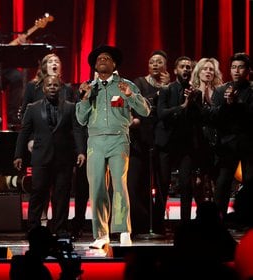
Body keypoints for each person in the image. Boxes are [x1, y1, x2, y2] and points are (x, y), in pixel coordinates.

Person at [76, 45, 151, 248]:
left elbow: (145, 111)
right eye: (99, 58)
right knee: (97, 187)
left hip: (118, 139)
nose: (102, 60)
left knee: (119, 185)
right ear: (94, 65)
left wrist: (130, 96)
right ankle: (101, 235)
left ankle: (124, 231)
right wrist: (84, 97)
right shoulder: (89, 87)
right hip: (95, 142)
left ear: (114, 64)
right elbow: (81, 119)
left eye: (107, 58)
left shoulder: (125, 85)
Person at [20, 53, 89, 237]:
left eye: (57, 61)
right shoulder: (33, 96)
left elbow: (75, 125)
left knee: (61, 195)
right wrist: (24, 147)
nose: (52, 87)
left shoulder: (68, 97)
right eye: (50, 61)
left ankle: (59, 229)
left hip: (62, 154)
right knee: (38, 192)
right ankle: (34, 229)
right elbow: (25, 124)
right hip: (41, 151)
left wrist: (80, 150)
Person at [154, 56, 202, 234]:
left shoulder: (195, 92)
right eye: (182, 67)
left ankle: (185, 225)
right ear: (175, 70)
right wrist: (182, 107)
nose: (186, 70)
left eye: (189, 67)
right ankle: (158, 224)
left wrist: (192, 104)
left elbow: (197, 119)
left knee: (186, 185)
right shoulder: (167, 90)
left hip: (186, 145)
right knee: (163, 183)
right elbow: (161, 114)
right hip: (166, 143)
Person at [128, 50, 170, 235]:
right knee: (136, 184)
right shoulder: (139, 83)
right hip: (140, 140)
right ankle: (141, 223)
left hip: (160, 141)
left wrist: (166, 88)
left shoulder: (170, 87)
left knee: (161, 184)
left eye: (159, 62)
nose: (155, 64)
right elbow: (136, 105)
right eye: (152, 61)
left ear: (165, 66)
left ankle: (158, 224)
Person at [210, 52, 253, 226]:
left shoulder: (251, 90)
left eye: (241, 67)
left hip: (249, 143)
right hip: (227, 144)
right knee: (223, 183)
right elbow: (214, 117)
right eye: (234, 67)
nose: (236, 71)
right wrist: (227, 106)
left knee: (250, 182)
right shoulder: (221, 91)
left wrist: (237, 104)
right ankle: (217, 222)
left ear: (248, 70)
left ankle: (249, 221)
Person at [190, 57, 223, 204]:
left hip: (215, 141)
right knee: (199, 180)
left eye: (211, 69)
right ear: (198, 72)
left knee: (217, 179)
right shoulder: (192, 91)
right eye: (205, 69)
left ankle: (217, 216)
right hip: (197, 140)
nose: (208, 72)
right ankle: (200, 213)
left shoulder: (218, 92)